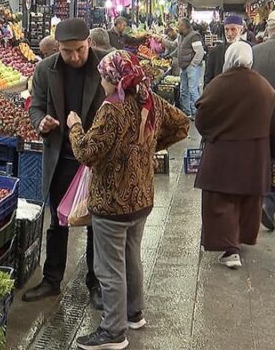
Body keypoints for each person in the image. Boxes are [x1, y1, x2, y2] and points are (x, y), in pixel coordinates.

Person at [70, 50, 189, 350]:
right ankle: (135, 314)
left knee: (109, 268)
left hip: (112, 203)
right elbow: (183, 125)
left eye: (103, 76)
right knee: (131, 256)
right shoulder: (151, 100)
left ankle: (113, 331)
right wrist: (146, 148)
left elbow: (86, 153)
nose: (100, 81)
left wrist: (74, 127)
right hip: (142, 198)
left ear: (113, 78)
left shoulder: (112, 109)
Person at [25, 18, 106, 308]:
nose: (74, 57)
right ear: (58, 47)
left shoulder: (104, 66)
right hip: (61, 157)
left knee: (96, 223)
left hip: (96, 161)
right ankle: (51, 280)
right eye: (67, 51)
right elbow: (35, 105)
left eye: (80, 50)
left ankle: (96, 283)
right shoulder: (46, 69)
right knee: (58, 222)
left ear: (89, 43)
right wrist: (41, 122)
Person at [195, 41, 275, 269]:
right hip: (255, 159)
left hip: (222, 158)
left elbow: (201, 120)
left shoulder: (217, 85)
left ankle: (229, 249)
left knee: (221, 203)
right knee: (247, 202)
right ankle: (239, 241)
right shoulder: (265, 88)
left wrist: (212, 135)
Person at [251, 8, 275, 231]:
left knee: (263, 160)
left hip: (258, 116)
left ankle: (257, 200)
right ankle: (269, 202)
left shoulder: (255, 51)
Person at [204, 15, 251, 86]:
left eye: (233, 29)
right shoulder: (215, 52)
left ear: (241, 30)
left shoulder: (250, 48)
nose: (229, 33)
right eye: (226, 29)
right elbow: (208, 79)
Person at [175, 18, 205, 119]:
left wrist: (193, 64)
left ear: (184, 26)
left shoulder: (194, 36)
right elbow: (176, 48)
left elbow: (200, 52)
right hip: (183, 67)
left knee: (193, 90)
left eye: (178, 25)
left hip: (192, 68)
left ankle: (196, 114)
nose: (177, 26)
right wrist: (162, 41)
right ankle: (186, 112)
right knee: (184, 90)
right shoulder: (181, 36)